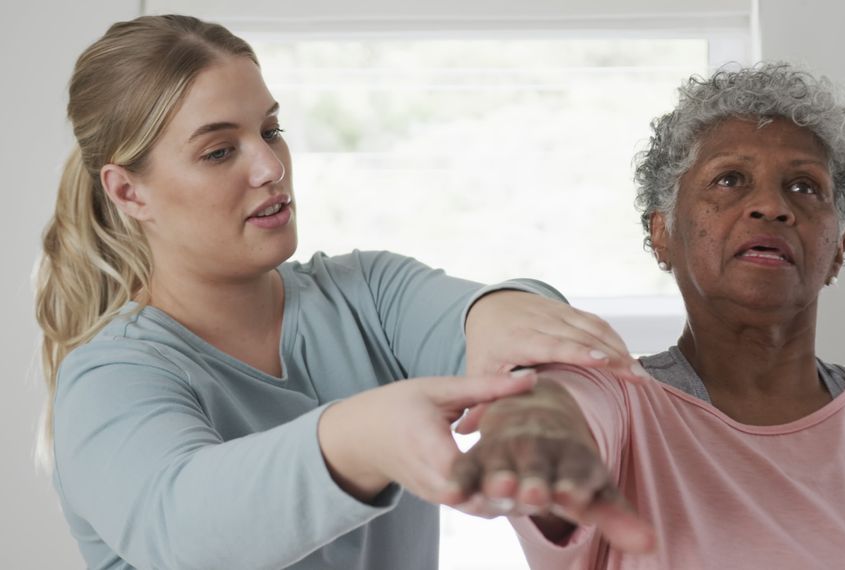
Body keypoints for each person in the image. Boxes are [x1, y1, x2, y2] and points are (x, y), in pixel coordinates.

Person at [34, 14, 652, 570]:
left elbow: (491, 315)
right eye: (220, 151)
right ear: (127, 192)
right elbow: (188, 532)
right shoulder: (109, 378)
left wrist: (525, 383)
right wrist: (359, 438)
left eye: (270, 130)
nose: (270, 167)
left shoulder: (365, 293)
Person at [449, 63, 845, 569]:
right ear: (662, 233)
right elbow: (556, 425)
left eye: (805, 187)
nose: (771, 207)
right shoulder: (613, 405)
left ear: (839, 246)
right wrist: (531, 426)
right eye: (729, 180)